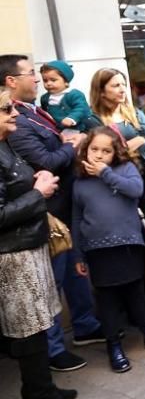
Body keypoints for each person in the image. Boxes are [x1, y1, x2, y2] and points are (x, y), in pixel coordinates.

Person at [1, 55, 102, 372]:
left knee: (76, 272)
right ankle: (54, 348)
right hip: (46, 212)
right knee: (52, 281)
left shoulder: (35, 110)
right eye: (31, 73)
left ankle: (85, 327)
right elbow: (44, 159)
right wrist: (71, 146)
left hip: (66, 204)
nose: (37, 79)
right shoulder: (15, 124)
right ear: (11, 81)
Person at [0, 86, 91, 399]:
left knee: (36, 326)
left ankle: (38, 390)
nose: (14, 114)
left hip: (27, 248)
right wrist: (38, 193)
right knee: (29, 330)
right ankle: (42, 398)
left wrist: (34, 181)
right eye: (7, 109)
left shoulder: (5, 146)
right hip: (13, 256)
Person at [71, 127, 145, 372]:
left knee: (135, 291)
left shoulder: (124, 170)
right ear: (86, 150)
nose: (98, 155)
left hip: (127, 243)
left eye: (106, 151)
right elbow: (76, 219)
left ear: (115, 153)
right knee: (107, 298)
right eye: (94, 149)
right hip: (97, 248)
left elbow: (135, 190)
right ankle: (113, 344)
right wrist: (78, 253)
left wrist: (106, 173)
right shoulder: (80, 182)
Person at [86, 69, 145, 166]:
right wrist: (137, 141)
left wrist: (126, 149)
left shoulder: (135, 113)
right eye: (116, 86)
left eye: (123, 85)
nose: (123, 90)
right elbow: (105, 155)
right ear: (101, 91)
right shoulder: (93, 119)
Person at [39, 61, 92, 131]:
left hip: (75, 130)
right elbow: (44, 112)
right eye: (45, 80)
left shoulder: (74, 94)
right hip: (54, 130)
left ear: (66, 81)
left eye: (53, 80)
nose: (48, 83)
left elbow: (81, 108)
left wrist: (71, 118)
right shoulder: (44, 98)